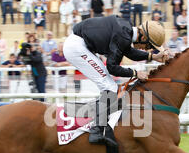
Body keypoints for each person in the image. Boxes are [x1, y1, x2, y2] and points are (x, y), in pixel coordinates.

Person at [63, 16, 168, 146]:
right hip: (77, 48)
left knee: (109, 85)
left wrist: (153, 56)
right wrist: (135, 73)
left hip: (80, 44)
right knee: (110, 87)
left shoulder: (126, 28)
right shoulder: (124, 35)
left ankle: (98, 124)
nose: (147, 49)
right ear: (143, 37)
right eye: (149, 46)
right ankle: (96, 130)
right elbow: (112, 67)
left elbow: (127, 51)